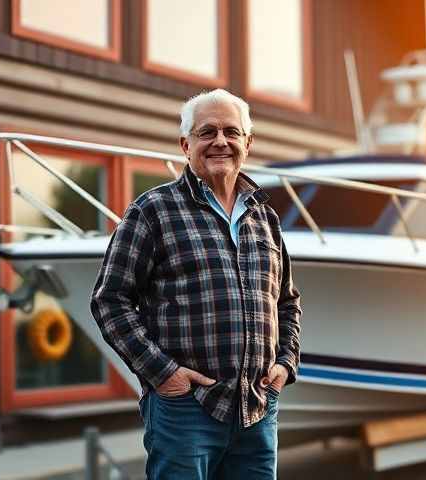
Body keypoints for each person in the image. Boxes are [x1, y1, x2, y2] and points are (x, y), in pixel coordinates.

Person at [90, 88, 302, 479]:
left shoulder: (265, 218)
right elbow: (110, 300)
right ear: (186, 145)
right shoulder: (152, 210)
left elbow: (286, 301)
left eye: (231, 132)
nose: (220, 141)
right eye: (207, 133)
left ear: (248, 143)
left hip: (257, 408)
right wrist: (164, 374)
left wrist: (286, 364)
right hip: (185, 409)